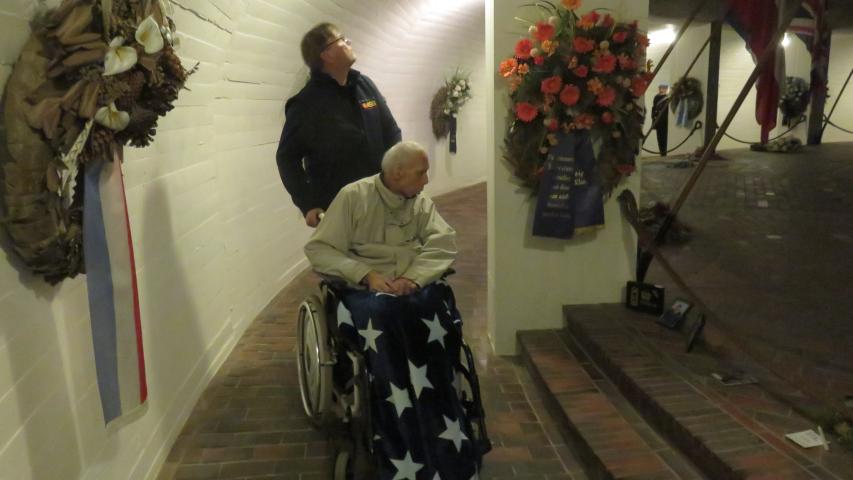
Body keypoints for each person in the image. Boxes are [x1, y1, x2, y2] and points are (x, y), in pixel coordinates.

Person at [305, 141, 482, 479]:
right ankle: (393, 425)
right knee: (383, 317)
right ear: (397, 173)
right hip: (365, 289)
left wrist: (414, 279)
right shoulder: (353, 197)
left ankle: (442, 417)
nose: (427, 180)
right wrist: (365, 274)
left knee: (435, 311)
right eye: (421, 173)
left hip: (412, 284)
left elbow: (443, 242)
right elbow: (320, 249)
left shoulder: (421, 204)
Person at [277, 23, 402, 227]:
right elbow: (286, 157)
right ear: (326, 54)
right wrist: (308, 203)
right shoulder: (306, 104)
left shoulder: (364, 85)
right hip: (340, 209)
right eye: (342, 39)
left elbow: (391, 131)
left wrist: (395, 172)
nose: (348, 42)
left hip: (381, 196)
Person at [652, 83, 670, 157]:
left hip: (666, 122)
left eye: (664, 88)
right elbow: (654, 110)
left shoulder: (668, 98)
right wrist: (654, 121)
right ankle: (662, 154)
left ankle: (664, 154)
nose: (662, 89)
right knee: (660, 140)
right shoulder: (656, 97)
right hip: (659, 122)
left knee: (665, 140)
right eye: (661, 88)